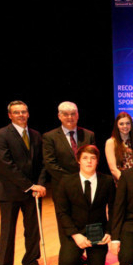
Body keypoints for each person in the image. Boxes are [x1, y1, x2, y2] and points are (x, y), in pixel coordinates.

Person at [0, 101, 48, 265]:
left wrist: (39, 185)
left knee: (33, 230)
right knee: (7, 232)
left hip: (33, 192)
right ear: (10, 115)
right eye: (17, 112)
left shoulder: (35, 135)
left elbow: (41, 163)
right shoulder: (0, 135)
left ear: (28, 113)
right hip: (10, 192)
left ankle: (31, 262)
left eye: (24, 111)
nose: (21, 115)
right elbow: (6, 165)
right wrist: (29, 186)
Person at [55, 145, 115, 265]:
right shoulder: (66, 182)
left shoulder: (106, 181)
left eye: (93, 158)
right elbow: (62, 212)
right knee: (66, 262)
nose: (89, 161)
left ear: (97, 161)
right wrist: (75, 235)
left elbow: (113, 209)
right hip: (76, 230)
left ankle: (95, 260)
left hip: (97, 231)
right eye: (85, 158)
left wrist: (109, 231)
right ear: (78, 161)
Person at [43, 101, 96, 240]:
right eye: (65, 114)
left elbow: (93, 159)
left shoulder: (88, 135)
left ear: (78, 115)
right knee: (66, 220)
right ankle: (72, 254)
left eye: (73, 114)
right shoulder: (50, 137)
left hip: (87, 184)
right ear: (59, 116)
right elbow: (50, 163)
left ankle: (91, 249)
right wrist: (72, 181)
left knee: (89, 217)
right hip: (62, 186)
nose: (70, 117)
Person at [105, 112, 133, 182]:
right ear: (117, 126)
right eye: (121, 124)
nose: (125, 126)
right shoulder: (111, 142)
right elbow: (113, 169)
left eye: (128, 123)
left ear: (131, 125)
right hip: (121, 182)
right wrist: (126, 182)